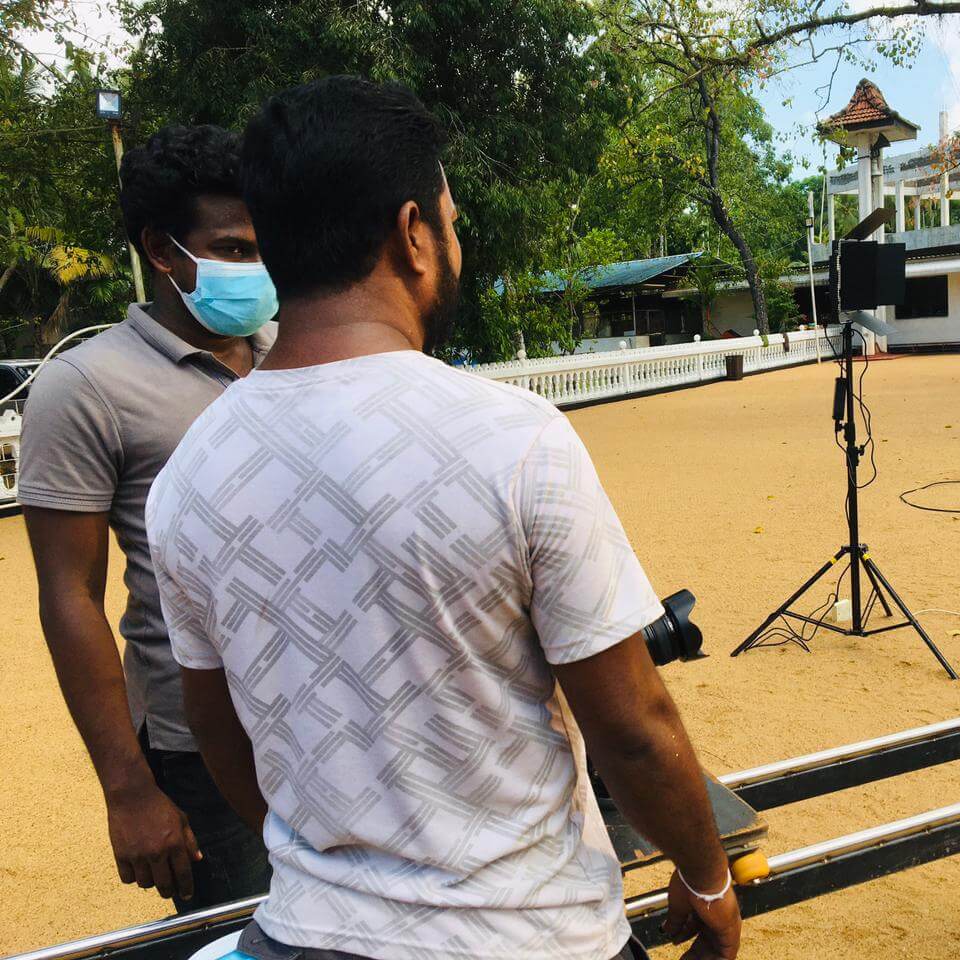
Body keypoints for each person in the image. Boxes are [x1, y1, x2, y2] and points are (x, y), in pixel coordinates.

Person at [145, 76, 741, 960]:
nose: (453, 241)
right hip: (532, 936)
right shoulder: (513, 439)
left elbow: (217, 725)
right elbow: (632, 729)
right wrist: (707, 875)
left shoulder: (189, 475)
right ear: (413, 234)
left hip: (308, 936)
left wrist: (338, 872)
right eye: (452, 222)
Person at [19, 125, 278, 909]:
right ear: (162, 251)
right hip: (201, 747)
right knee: (251, 937)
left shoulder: (296, 350)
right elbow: (70, 595)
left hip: (328, 719)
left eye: (264, 246)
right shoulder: (85, 388)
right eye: (232, 250)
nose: (257, 267)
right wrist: (129, 789)